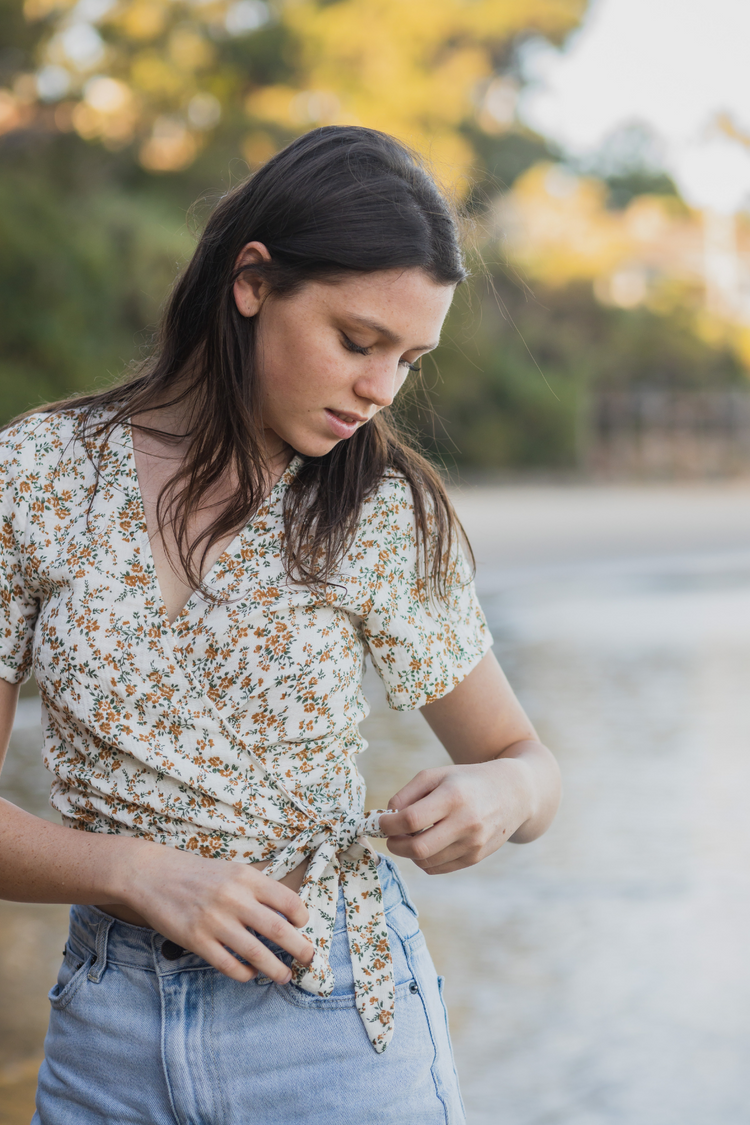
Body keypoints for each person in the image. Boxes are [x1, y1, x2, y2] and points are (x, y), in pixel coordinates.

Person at [0, 126, 561, 1124]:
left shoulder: (377, 513)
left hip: (339, 1027)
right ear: (252, 280)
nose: (382, 388)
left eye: (408, 359)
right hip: (105, 1040)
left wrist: (501, 794)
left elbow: (527, 765)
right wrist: (134, 875)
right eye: (357, 340)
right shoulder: (37, 478)